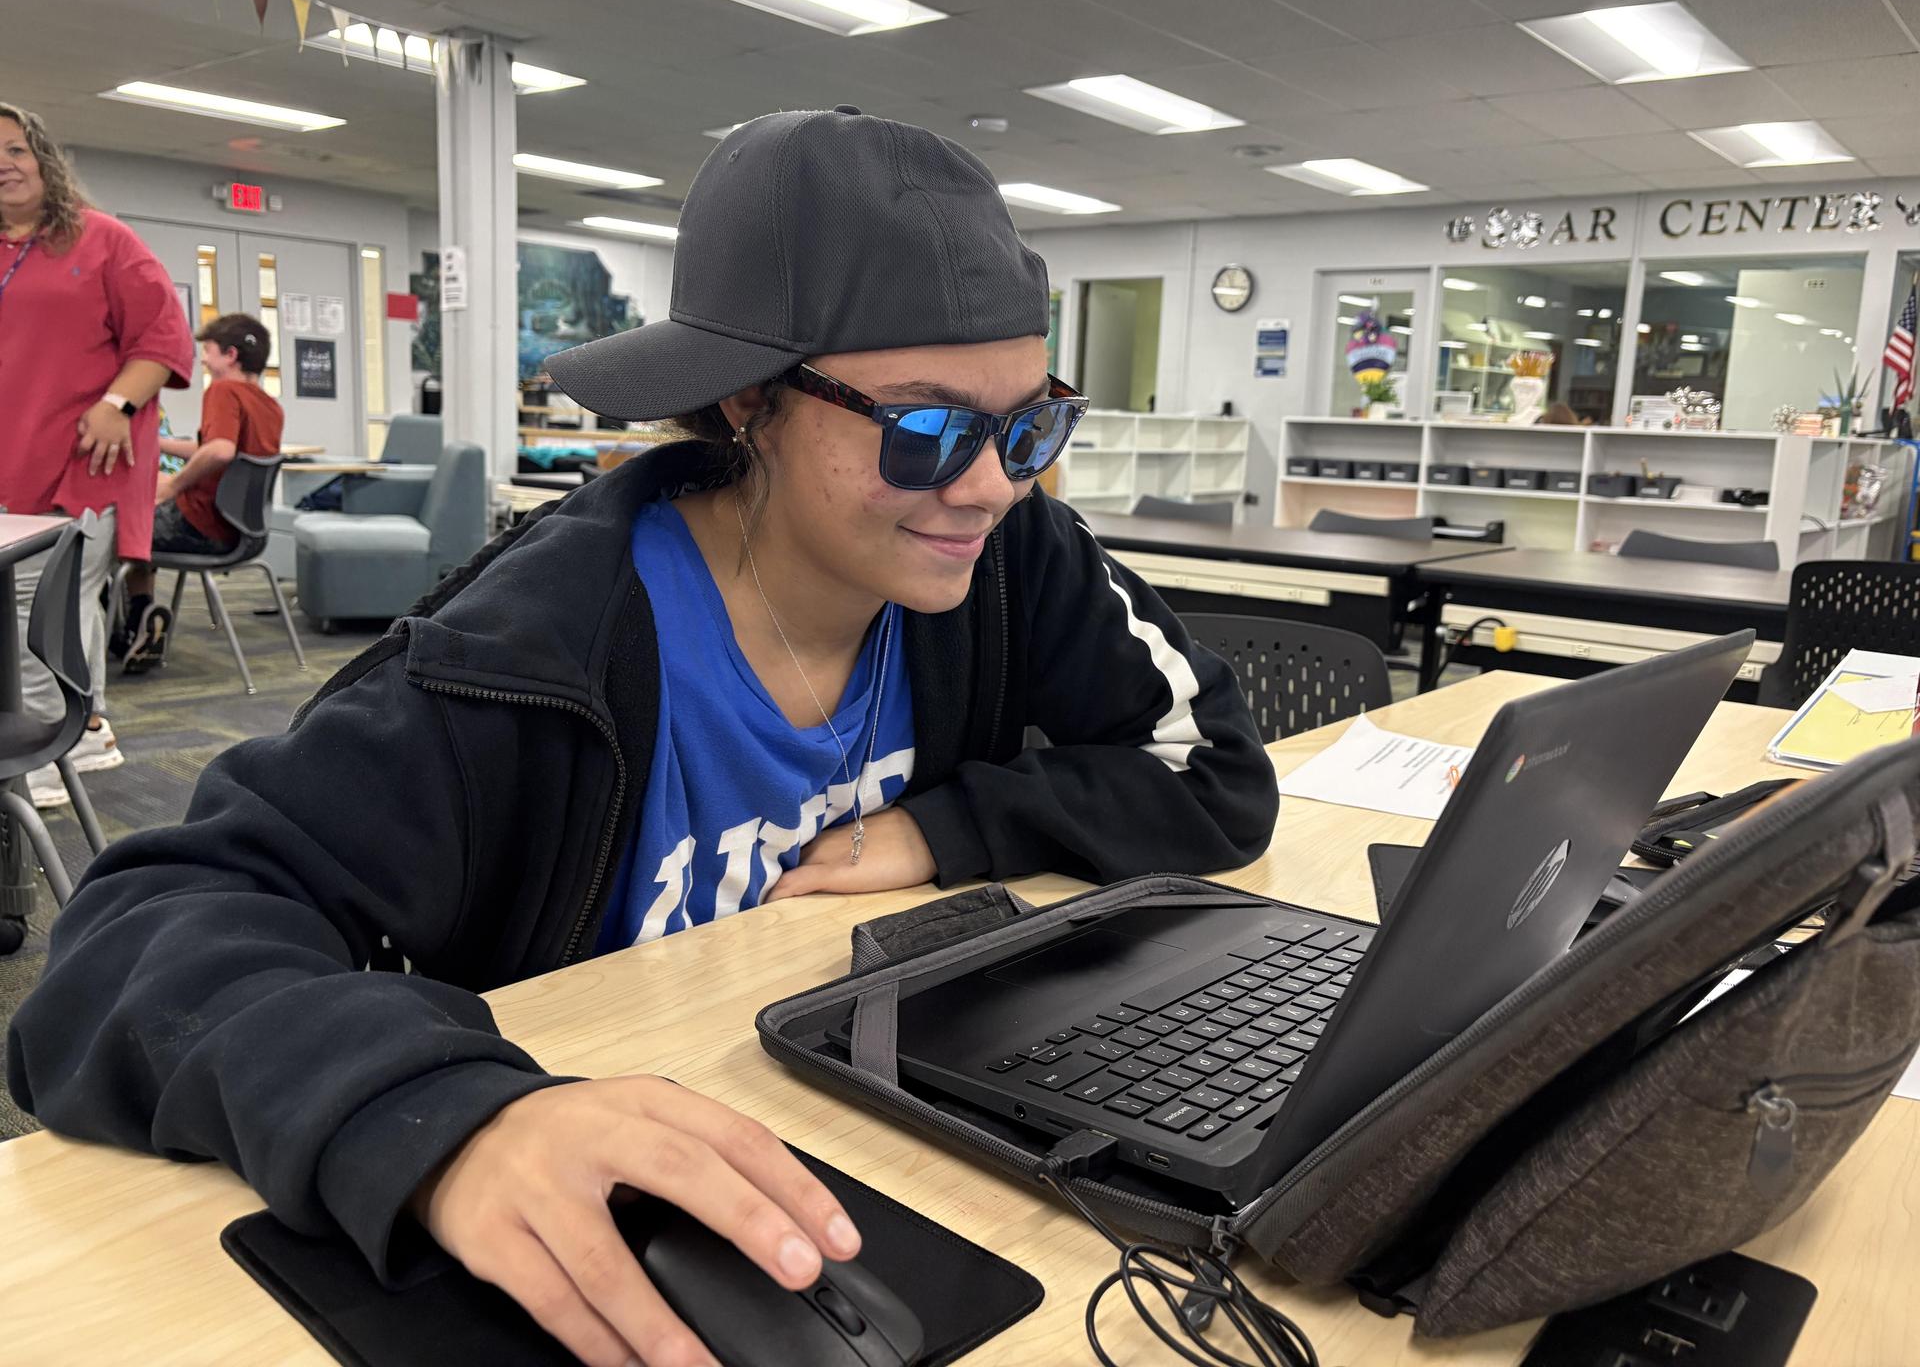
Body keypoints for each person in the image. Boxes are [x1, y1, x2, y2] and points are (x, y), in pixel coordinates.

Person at [10, 108, 1278, 1367]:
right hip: (602, 1182)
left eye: (1030, 422)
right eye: (930, 427)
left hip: (875, 1136)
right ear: (747, 402)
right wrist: (439, 1120)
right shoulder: (521, 652)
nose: (995, 483)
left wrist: (956, 826)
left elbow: (1214, 769)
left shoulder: (1009, 559)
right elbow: (136, 936)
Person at [0, 103, 193, 807]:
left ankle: (53, 743)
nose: (4, 164)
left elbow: (164, 340)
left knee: (34, 607)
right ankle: (85, 729)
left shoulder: (103, 241)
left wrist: (118, 404)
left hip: (89, 457)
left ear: (43, 157)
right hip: (11, 463)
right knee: (57, 605)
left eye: (15, 149)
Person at [120, 313, 284, 672]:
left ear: (230, 355)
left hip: (199, 524)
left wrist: (171, 486)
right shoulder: (269, 406)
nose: (204, 360)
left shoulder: (223, 391)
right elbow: (216, 448)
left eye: (208, 351)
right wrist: (159, 443)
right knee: (138, 528)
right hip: (243, 532)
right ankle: (141, 620)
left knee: (117, 530)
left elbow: (221, 450)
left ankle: (134, 624)